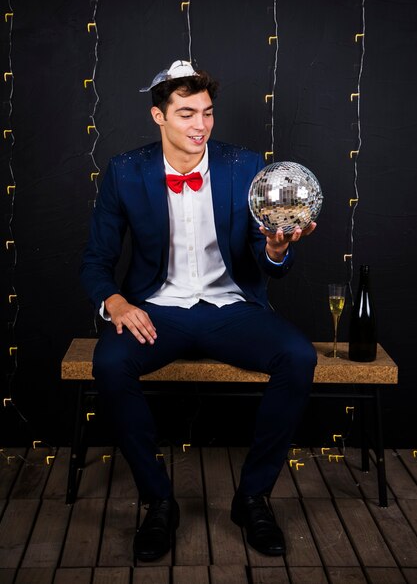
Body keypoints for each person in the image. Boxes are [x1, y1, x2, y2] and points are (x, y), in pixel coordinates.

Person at [80, 60, 317, 562]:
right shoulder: (126, 170)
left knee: (298, 356)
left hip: (231, 307)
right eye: (186, 113)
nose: (200, 126)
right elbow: (96, 259)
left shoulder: (245, 163)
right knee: (109, 363)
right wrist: (117, 301)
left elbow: (266, 258)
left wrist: (276, 248)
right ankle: (158, 501)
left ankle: (252, 497)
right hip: (159, 310)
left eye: (207, 113)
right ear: (157, 117)